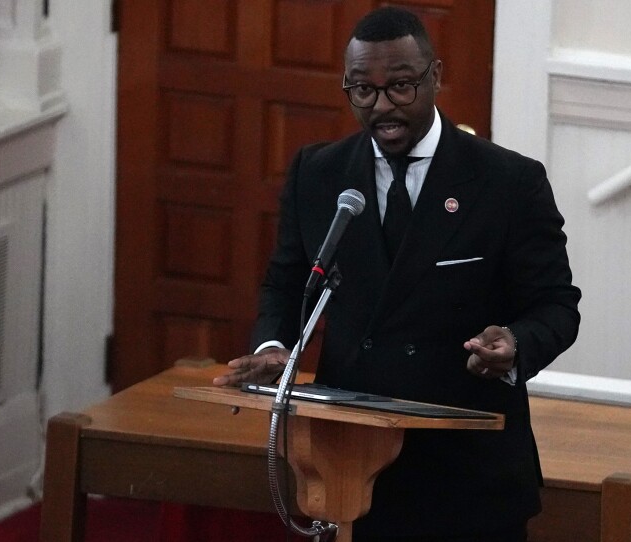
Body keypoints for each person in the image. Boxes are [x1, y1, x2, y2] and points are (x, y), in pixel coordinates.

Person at [214, 6, 581, 541]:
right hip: (350, 463)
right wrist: (276, 347)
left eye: (401, 87)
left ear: (435, 77)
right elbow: (290, 282)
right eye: (362, 90)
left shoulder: (507, 182)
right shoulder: (317, 174)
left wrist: (516, 345)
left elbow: (556, 305)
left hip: (466, 474)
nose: (381, 106)